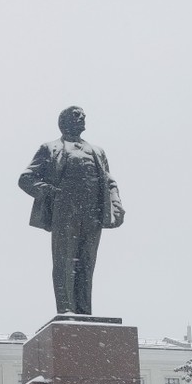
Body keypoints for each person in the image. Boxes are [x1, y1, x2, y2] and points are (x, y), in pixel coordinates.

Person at [19, 106, 125, 315]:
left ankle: (84, 312)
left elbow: (109, 180)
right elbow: (26, 179)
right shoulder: (50, 148)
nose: (82, 118)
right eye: (77, 115)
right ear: (64, 121)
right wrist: (50, 192)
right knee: (65, 263)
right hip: (65, 212)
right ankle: (66, 310)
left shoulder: (98, 151)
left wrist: (116, 203)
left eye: (84, 116)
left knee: (86, 264)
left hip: (93, 213)